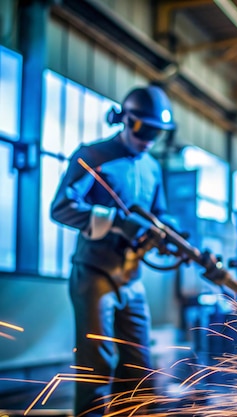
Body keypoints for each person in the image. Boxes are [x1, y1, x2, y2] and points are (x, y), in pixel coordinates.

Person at [50, 85, 176, 416]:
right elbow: (61, 208)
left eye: (156, 134)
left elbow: (157, 214)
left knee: (139, 362)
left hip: (132, 278)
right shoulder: (91, 156)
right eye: (142, 129)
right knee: (97, 362)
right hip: (95, 275)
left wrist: (166, 232)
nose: (148, 139)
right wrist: (118, 222)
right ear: (124, 120)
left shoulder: (151, 167)